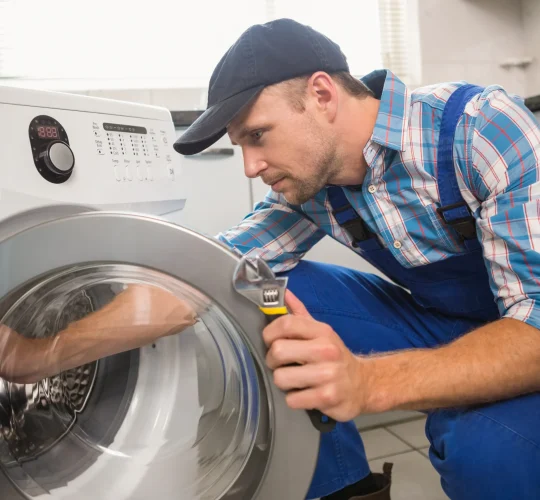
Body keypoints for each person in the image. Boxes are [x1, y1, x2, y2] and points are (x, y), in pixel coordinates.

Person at [173, 18, 540, 500]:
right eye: (240, 146)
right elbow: (214, 269)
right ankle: (347, 489)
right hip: (444, 323)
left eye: (257, 135)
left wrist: (368, 383)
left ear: (322, 96)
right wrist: (52, 346)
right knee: (262, 292)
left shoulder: (479, 127)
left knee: (485, 455)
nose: (251, 166)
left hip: (524, 332)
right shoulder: (312, 183)